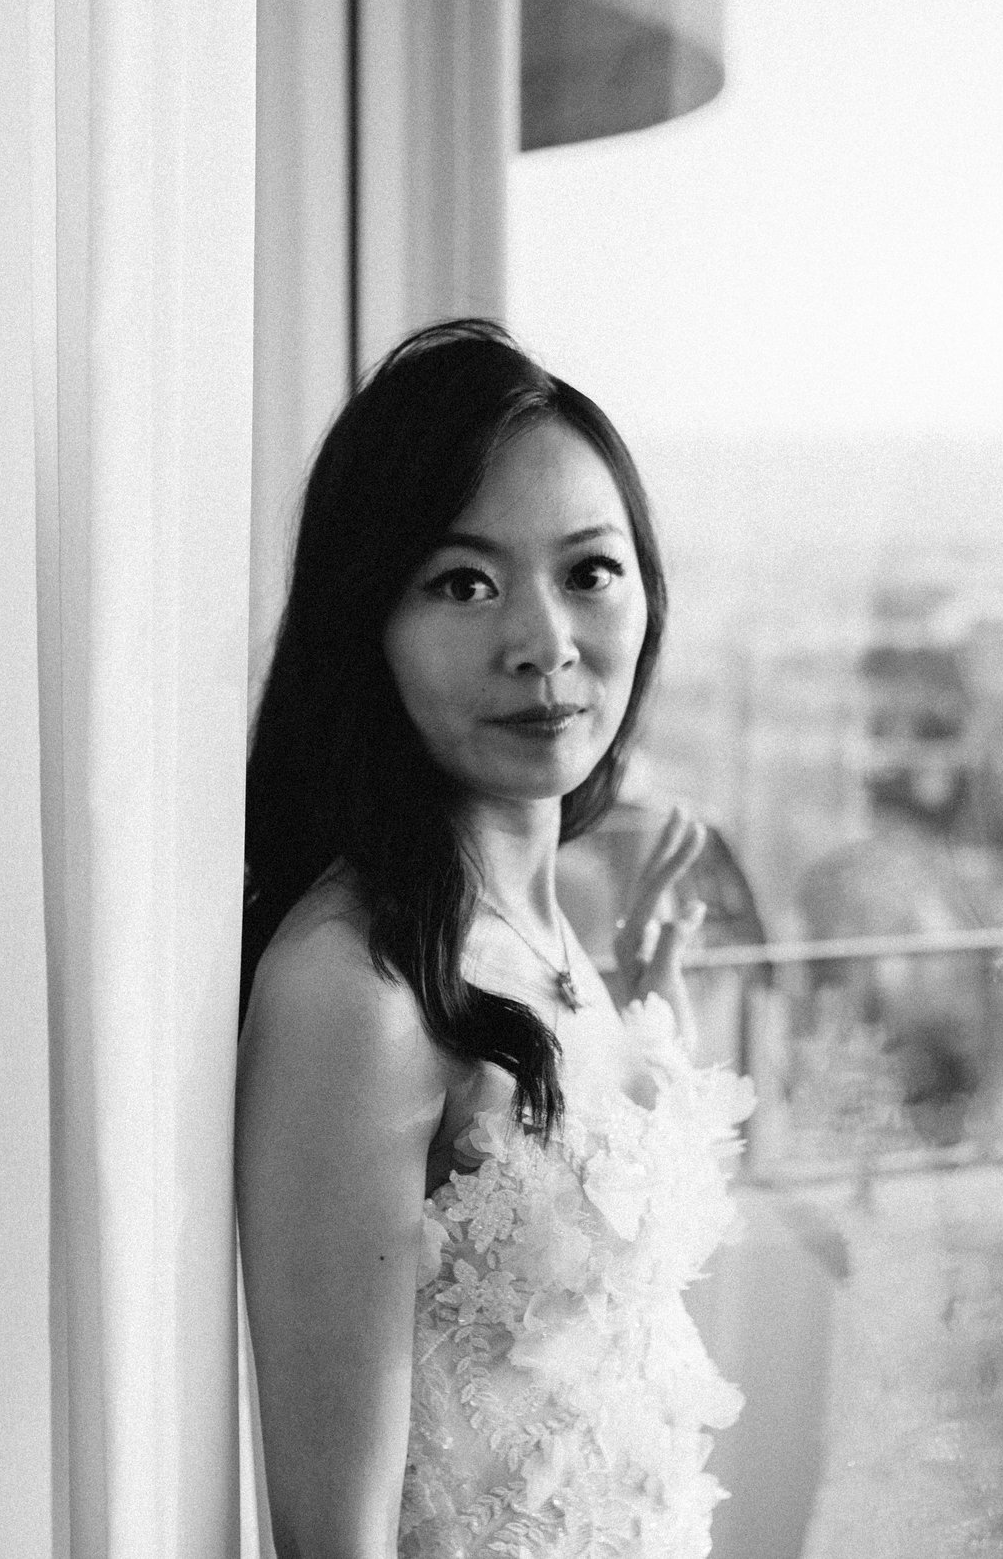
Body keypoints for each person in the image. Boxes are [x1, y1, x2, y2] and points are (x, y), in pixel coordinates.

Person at [237, 320, 755, 1559]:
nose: (543, 642)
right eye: (464, 582)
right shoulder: (354, 993)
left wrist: (641, 1009)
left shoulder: (540, 919)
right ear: (368, 623)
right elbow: (332, 1538)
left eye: (588, 571)